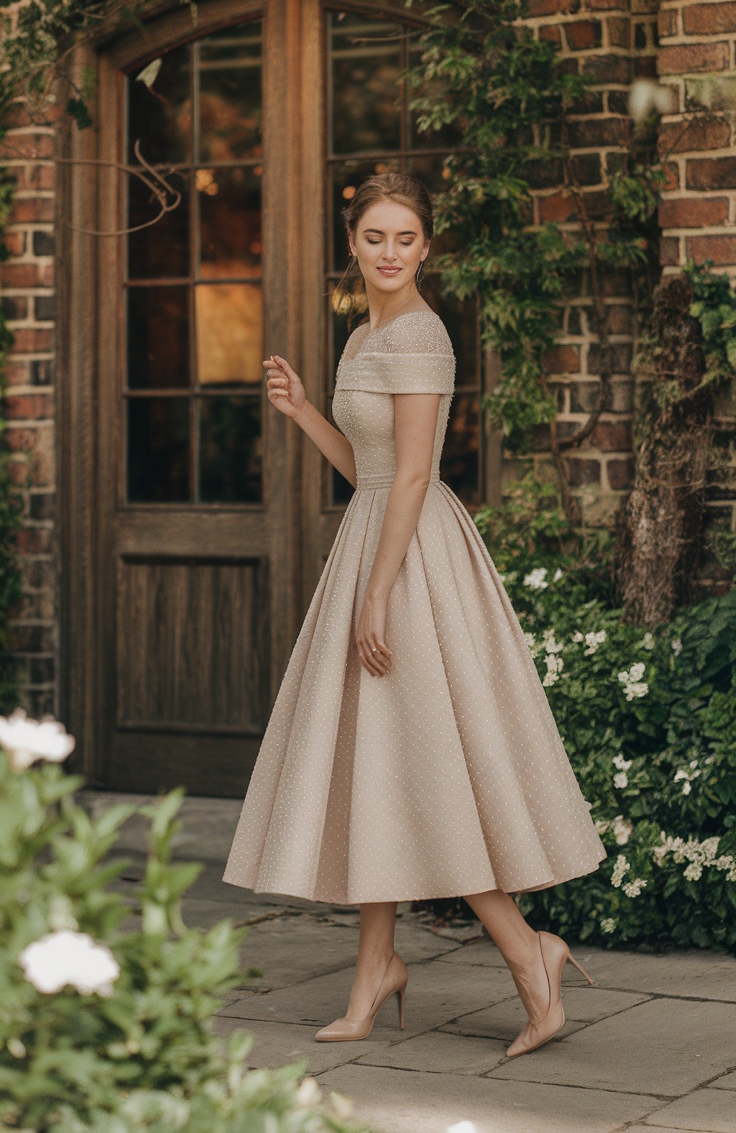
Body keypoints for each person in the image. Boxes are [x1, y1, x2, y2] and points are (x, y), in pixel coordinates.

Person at [223, 173, 606, 1058]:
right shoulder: (362, 336)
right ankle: (375, 974)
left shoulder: (425, 334)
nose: (389, 252)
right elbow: (369, 472)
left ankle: (529, 955)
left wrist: (381, 589)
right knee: (377, 765)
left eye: (405, 238)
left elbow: (419, 478)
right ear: (352, 245)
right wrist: (304, 414)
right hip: (374, 541)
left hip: (413, 561)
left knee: (430, 764)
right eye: (374, 238)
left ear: (426, 247)